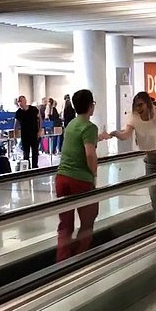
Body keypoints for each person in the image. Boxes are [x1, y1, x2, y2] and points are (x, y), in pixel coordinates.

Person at [99, 91, 156, 220]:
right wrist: (114, 133)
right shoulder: (134, 120)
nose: (138, 109)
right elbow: (126, 135)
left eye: (141, 105)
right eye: (136, 106)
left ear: (147, 104)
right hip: (150, 161)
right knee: (154, 196)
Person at [55, 89, 101, 261]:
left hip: (61, 178)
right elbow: (90, 153)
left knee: (65, 225)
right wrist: (94, 175)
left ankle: (63, 262)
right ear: (91, 106)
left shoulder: (71, 124)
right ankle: (80, 258)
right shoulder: (90, 127)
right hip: (80, 180)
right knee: (88, 222)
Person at [13, 95, 40, 169]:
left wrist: (40, 130)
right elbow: (16, 124)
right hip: (25, 135)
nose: (19, 103)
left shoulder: (33, 109)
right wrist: (16, 134)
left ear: (25, 101)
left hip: (34, 133)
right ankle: (27, 167)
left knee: (35, 152)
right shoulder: (18, 112)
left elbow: (39, 119)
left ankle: (35, 167)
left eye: (21, 101)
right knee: (26, 152)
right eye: (18, 101)